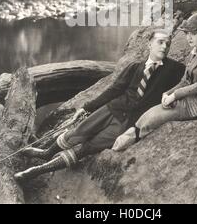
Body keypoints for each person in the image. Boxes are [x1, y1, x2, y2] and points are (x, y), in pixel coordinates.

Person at [14, 29, 185, 181]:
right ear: (149, 44)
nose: (164, 46)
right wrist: (87, 107)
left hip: (129, 123)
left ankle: (37, 170)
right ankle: (45, 154)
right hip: (111, 109)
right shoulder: (135, 67)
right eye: (160, 42)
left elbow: (190, 80)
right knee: (77, 133)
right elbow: (114, 90)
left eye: (168, 43)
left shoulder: (174, 70)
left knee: (87, 147)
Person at [112, 13, 197, 151]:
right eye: (187, 33)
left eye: (193, 34)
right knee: (149, 113)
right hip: (191, 97)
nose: (188, 37)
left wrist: (175, 95)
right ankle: (131, 133)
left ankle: (132, 139)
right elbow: (185, 80)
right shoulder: (195, 52)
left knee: (153, 119)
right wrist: (167, 93)